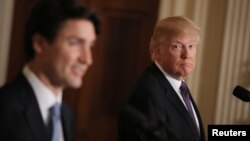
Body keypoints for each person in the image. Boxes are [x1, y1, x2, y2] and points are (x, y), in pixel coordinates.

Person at [0, 0, 100, 141]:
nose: (87, 59)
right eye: (75, 43)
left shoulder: (66, 114)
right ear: (39, 44)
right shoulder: (5, 108)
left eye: (90, 46)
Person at [117, 16, 206, 141]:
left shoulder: (179, 86)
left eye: (191, 46)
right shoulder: (147, 92)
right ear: (157, 52)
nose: (187, 55)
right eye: (177, 46)